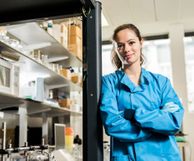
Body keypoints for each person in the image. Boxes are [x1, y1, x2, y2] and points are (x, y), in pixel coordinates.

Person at [99, 23, 184, 161]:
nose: (126, 49)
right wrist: (154, 126)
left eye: (131, 42)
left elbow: (173, 121)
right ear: (116, 49)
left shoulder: (161, 82)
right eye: (120, 45)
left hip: (164, 156)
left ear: (141, 42)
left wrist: (135, 115)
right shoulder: (109, 83)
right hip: (128, 157)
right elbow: (112, 124)